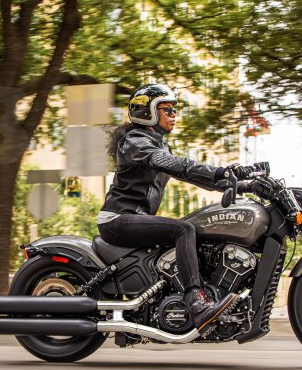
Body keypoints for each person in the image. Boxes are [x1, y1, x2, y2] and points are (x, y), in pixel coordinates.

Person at [98, 84, 268, 329]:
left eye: (175, 110)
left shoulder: (159, 146)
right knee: (183, 229)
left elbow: (194, 176)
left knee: (194, 231)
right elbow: (178, 165)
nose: (174, 115)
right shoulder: (135, 141)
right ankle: (196, 301)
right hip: (117, 220)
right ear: (147, 113)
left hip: (135, 219)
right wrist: (221, 169)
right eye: (167, 110)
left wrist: (246, 185)